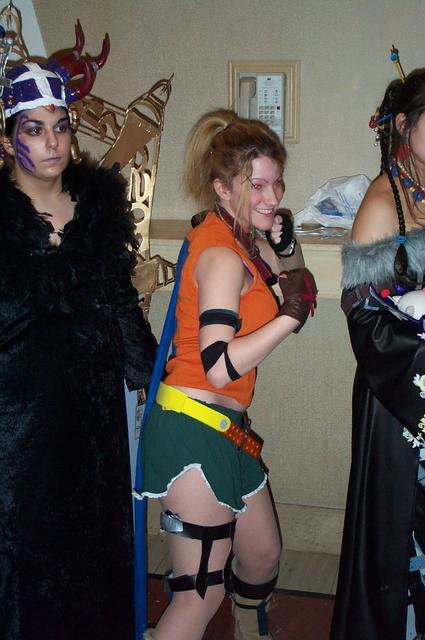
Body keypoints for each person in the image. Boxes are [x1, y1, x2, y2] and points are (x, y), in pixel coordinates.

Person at [0, 28, 156, 640]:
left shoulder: (98, 211)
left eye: (61, 127)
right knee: (24, 564)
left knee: (94, 557)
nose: (53, 141)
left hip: (94, 422)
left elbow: (119, 305)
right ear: (8, 140)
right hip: (18, 428)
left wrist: (158, 382)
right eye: (34, 128)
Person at [137, 109, 317, 640]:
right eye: (256, 185)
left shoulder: (244, 238)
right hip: (192, 428)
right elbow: (218, 368)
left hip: (227, 429)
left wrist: (287, 249)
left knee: (261, 556)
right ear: (222, 188)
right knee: (201, 592)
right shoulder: (221, 254)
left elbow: (295, 278)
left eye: (276, 182)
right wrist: (288, 318)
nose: (272, 196)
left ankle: (249, 629)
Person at [331, 55, 425, 640]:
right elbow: (365, 322)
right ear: (404, 126)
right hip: (400, 396)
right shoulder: (382, 202)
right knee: (399, 539)